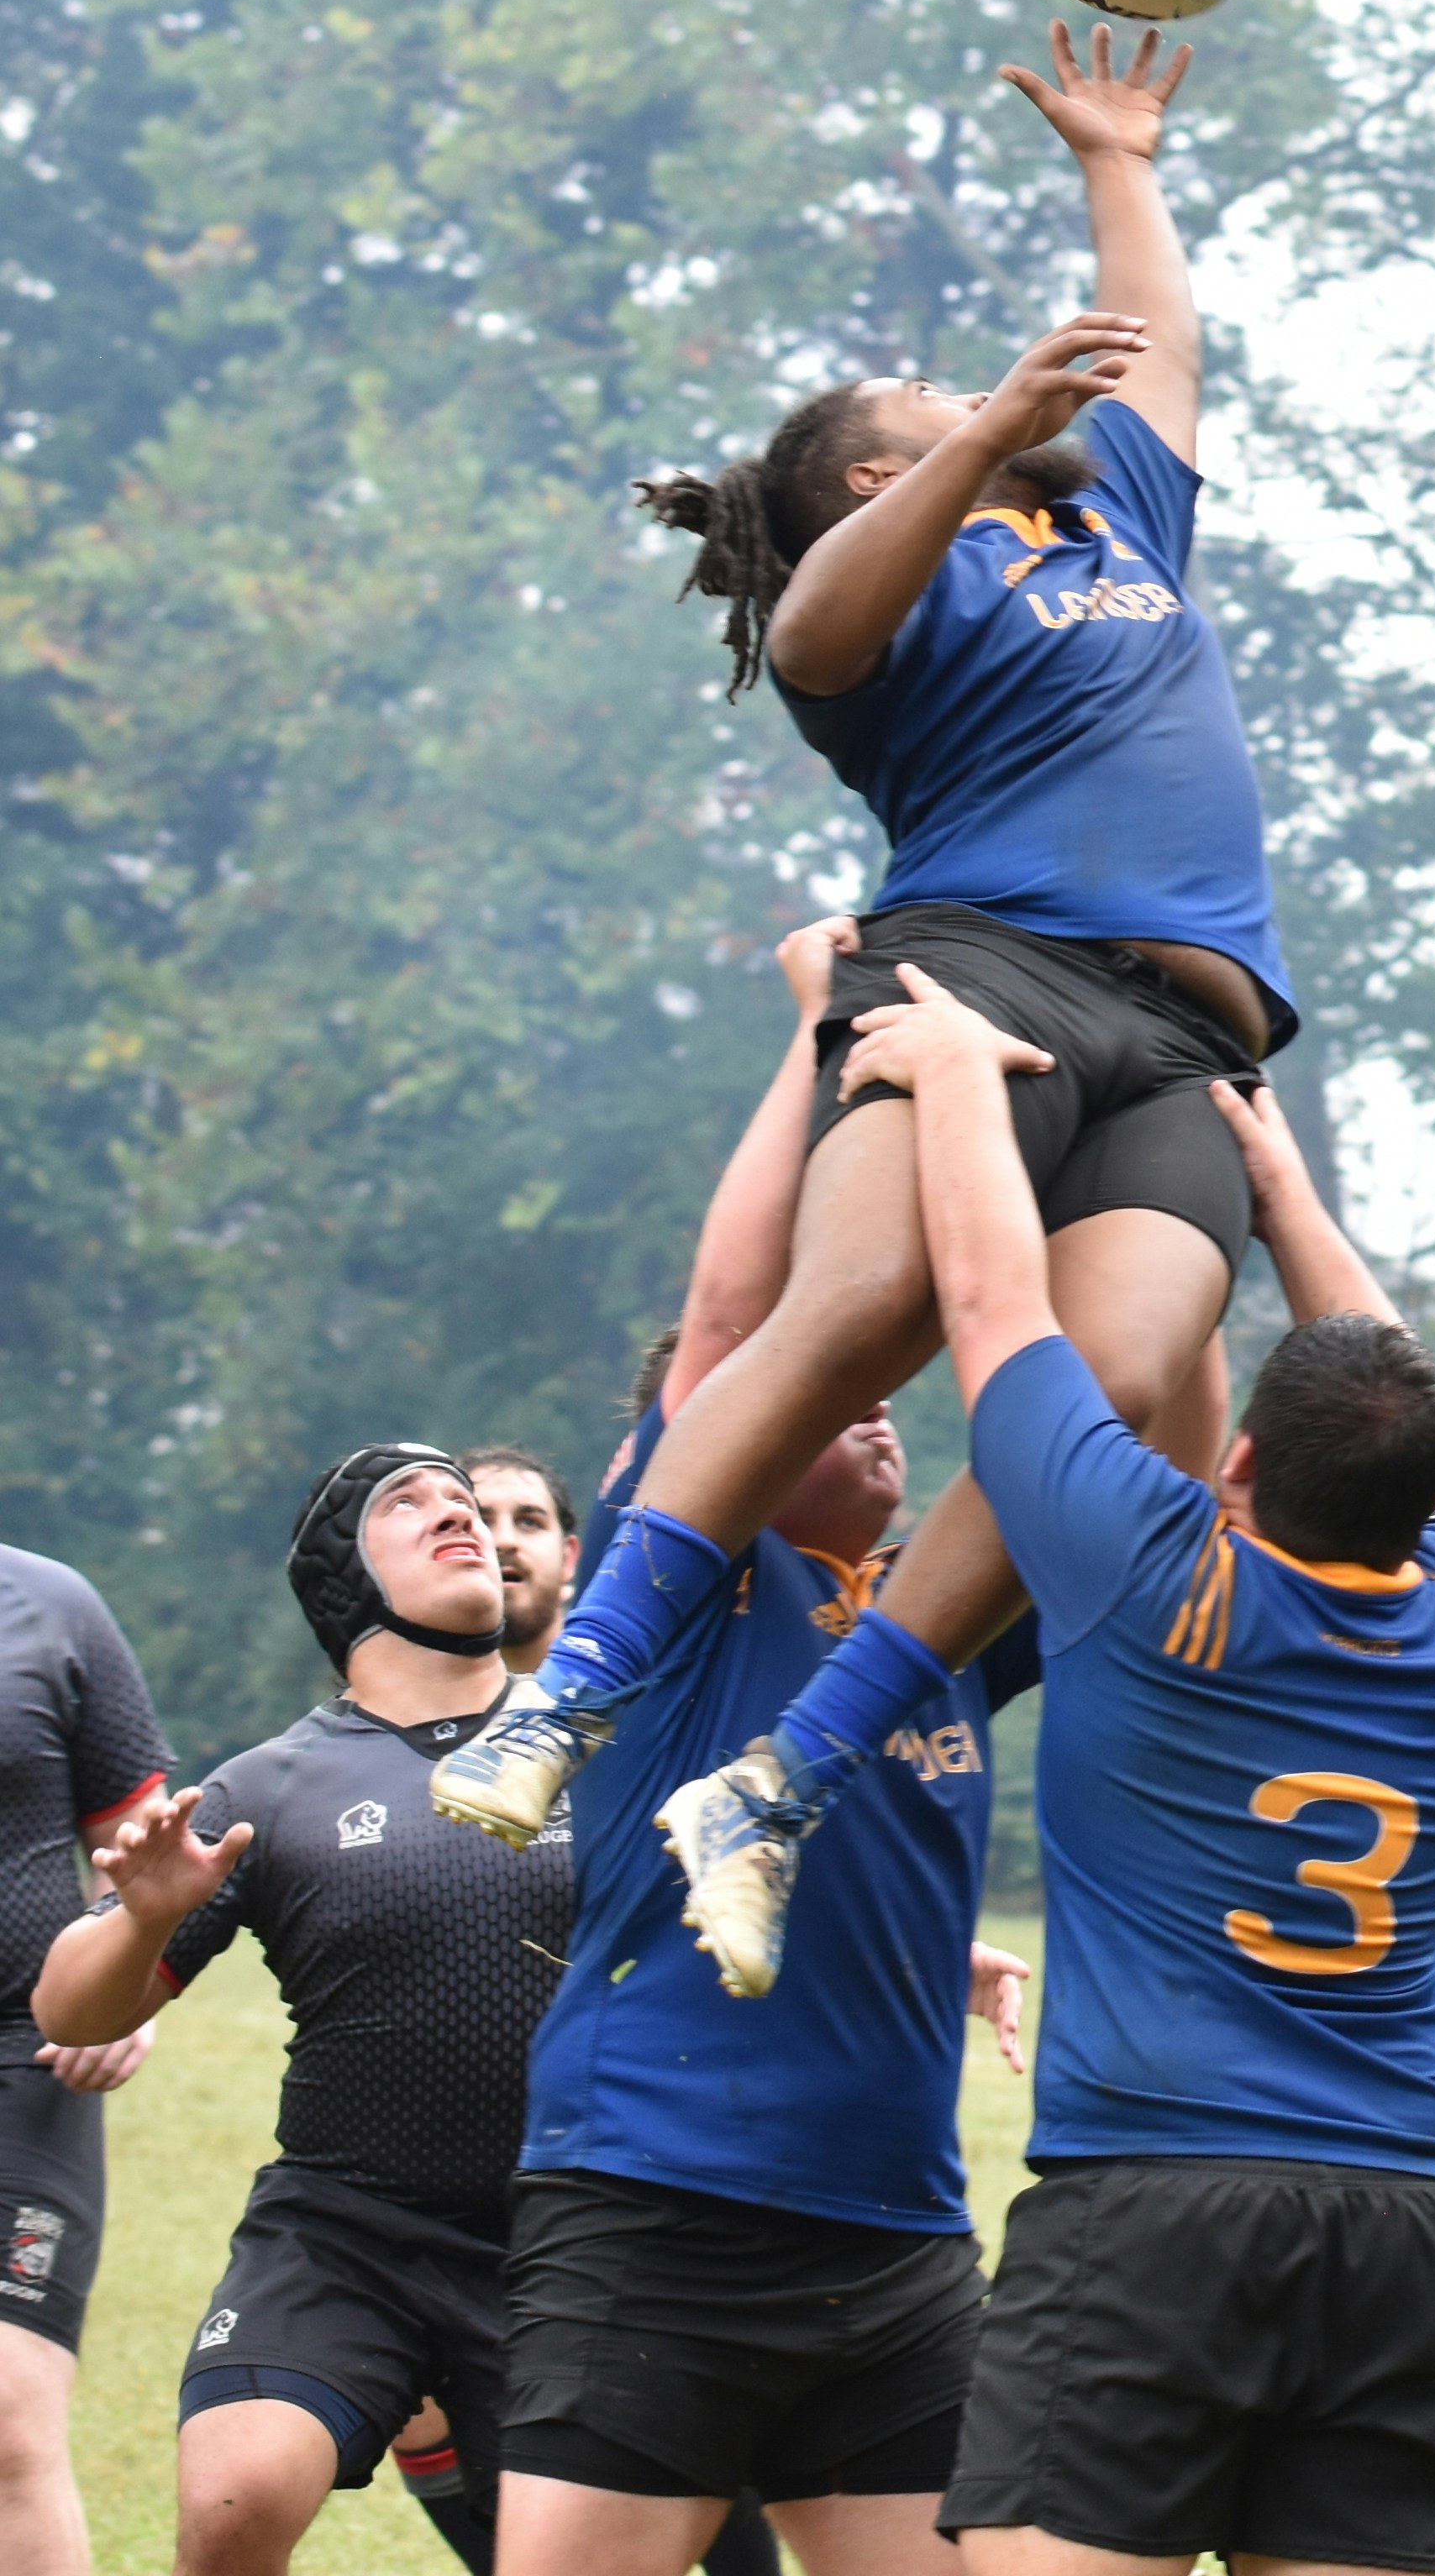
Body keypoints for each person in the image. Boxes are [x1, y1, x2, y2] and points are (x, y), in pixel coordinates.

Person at [437, 22, 1290, 2008]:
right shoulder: (898, 586)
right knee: (854, 1320)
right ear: (882, 472)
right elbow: (813, 617)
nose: (995, 386)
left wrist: (1120, 156)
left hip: (1186, 1042)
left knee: (1107, 1429)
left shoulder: (1121, 525)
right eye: (933, 399)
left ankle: (783, 1778)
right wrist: (979, 439)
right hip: (974, 968)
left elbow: (1160, 346)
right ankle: (556, 1706)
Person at [850, 973, 1435, 2575]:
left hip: (1157, 2200)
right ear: (1429, 1498)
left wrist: (955, 1074)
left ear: (1235, 1470)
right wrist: (1283, 1191)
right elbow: (1401, 1398)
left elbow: (1003, 1310)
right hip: (1403, 2217)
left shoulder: (1155, 1574)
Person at [502, 916, 1039, 2576]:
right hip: (658, 2208)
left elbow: (1081, 1418)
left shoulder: (925, 1627)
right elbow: (740, 1307)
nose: (871, 1399)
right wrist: (825, 1033)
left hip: (897, 2237)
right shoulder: (687, 1595)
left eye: (888, 1391)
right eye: (825, 1393)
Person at [35, 1449, 572, 2576]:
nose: (457, 1514)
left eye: (463, 1499)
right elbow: (70, 2011)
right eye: (410, 1504)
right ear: (343, 1578)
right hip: (346, 2233)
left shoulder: (602, 1744)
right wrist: (138, 1920)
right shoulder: (270, 1788)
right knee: (235, 2494)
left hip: (574, 2240)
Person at [0, 1540, 166, 2575]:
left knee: (8, 2426)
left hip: (26, 2059)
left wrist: (126, 1981)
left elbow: (136, 1845)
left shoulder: (51, 1605)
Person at [464, 1454, 576, 1671]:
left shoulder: (630, 1687)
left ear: (568, 1558)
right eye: (481, 1522)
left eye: (529, 1522)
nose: (505, 1541)